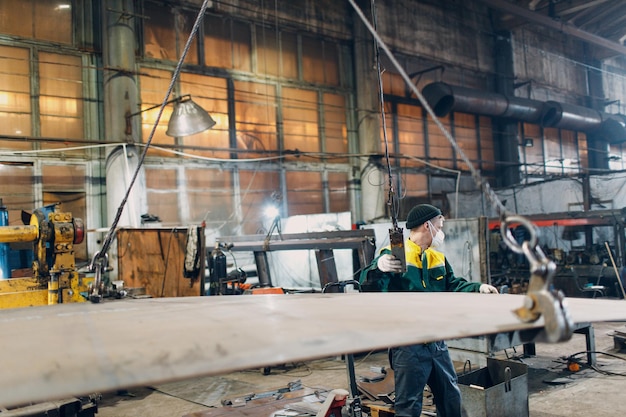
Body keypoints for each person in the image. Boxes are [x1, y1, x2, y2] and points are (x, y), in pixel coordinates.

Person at [359, 204, 498, 417]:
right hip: (408, 346)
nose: (441, 231)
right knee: (409, 406)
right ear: (428, 225)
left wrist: (478, 288)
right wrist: (378, 267)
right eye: (439, 225)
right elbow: (367, 285)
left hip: (436, 343)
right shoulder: (394, 255)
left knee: (451, 398)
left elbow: (453, 284)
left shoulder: (437, 258)